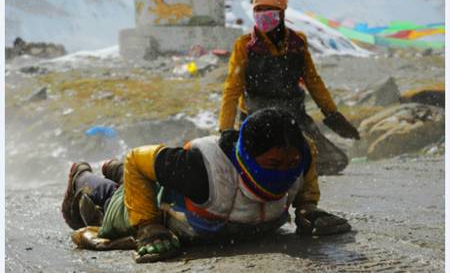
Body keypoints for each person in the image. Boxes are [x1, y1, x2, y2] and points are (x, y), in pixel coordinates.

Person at [62, 108, 351, 264]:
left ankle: (113, 169)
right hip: (165, 202)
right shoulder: (200, 170)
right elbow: (136, 159)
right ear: (248, 157)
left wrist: (307, 207)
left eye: (291, 164)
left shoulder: (302, 154)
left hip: (178, 180)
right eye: (273, 165)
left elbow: (306, 161)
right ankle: (82, 176)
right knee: (114, 201)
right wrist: (149, 227)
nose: (285, 173)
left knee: (142, 172)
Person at [219, 0, 360, 175]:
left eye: (268, 9)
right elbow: (232, 89)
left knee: (335, 161)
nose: (263, 14)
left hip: (293, 117)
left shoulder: (297, 44)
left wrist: (332, 114)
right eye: (258, 10)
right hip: (256, 117)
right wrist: (226, 129)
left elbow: (313, 81)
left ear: (281, 13)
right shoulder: (244, 46)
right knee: (249, 167)